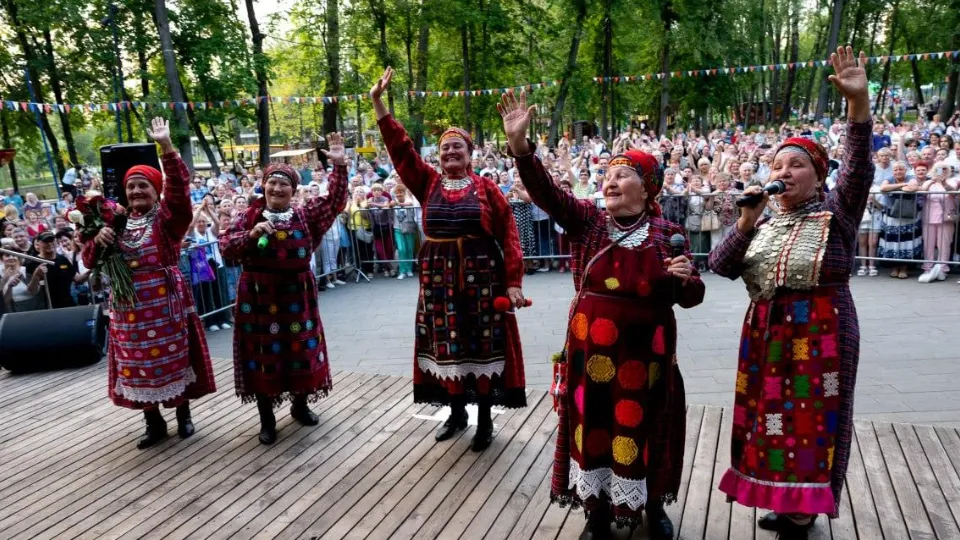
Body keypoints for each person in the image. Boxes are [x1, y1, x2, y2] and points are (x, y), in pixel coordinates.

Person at [500, 91, 704, 539]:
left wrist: (687, 279)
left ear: (647, 188)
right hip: (590, 355)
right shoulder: (589, 222)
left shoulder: (668, 233)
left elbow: (692, 298)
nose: (610, 181)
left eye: (622, 174)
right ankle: (596, 512)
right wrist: (520, 147)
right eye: (607, 174)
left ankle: (652, 504)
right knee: (591, 425)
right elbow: (547, 194)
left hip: (647, 360)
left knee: (647, 425)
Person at [707, 47, 874, 539]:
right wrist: (745, 220)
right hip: (766, 335)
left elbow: (859, 169)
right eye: (777, 164)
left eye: (797, 165)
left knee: (812, 421)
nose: (783, 171)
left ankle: (804, 510)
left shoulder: (836, 214)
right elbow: (719, 266)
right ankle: (782, 497)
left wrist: (857, 105)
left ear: (819, 175)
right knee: (770, 419)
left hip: (821, 333)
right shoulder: (763, 223)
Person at [372, 67, 527, 452]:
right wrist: (379, 105)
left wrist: (513, 281)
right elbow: (401, 150)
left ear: (470, 154)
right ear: (438, 156)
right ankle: (456, 413)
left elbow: (509, 234)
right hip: (438, 284)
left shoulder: (487, 188)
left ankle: (485, 421)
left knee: (483, 347)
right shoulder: (427, 182)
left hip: (482, 282)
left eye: (458, 147)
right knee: (448, 346)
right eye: (445, 148)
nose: (451, 152)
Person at [83, 117, 217, 449]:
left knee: (173, 358)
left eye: (143, 185)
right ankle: (153, 423)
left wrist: (167, 147)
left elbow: (180, 194)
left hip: (165, 305)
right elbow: (88, 261)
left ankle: (183, 415)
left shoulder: (168, 219)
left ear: (156, 190)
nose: (136, 191)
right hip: (128, 312)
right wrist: (97, 240)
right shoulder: (115, 223)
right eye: (131, 186)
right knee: (138, 364)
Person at [220, 133, 348, 445]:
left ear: (293, 190)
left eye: (284, 185)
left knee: (299, 349)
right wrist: (250, 236)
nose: (277, 189)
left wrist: (340, 165)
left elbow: (335, 202)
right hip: (258, 299)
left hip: (296, 297)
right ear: (263, 186)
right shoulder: (247, 216)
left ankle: (300, 405)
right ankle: (267, 420)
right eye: (272, 183)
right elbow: (226, 248)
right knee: (263, 355)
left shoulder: (305, 215)